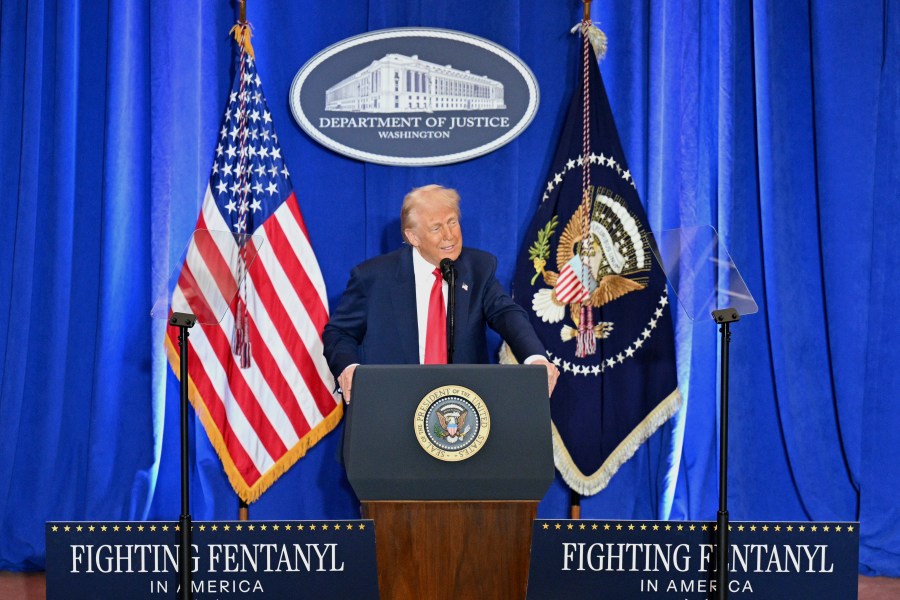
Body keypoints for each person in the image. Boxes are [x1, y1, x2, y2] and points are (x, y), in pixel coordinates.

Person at [323, 184, 559, 403]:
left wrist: (535, 358)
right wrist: (349, 368)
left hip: (461, 411)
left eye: (452, 222)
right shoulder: (372, 278)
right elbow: (339, 333)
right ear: (413, 237)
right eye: (436, 228)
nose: (449, 235)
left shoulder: (478, 268)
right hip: (394, 404)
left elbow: (507, 314)